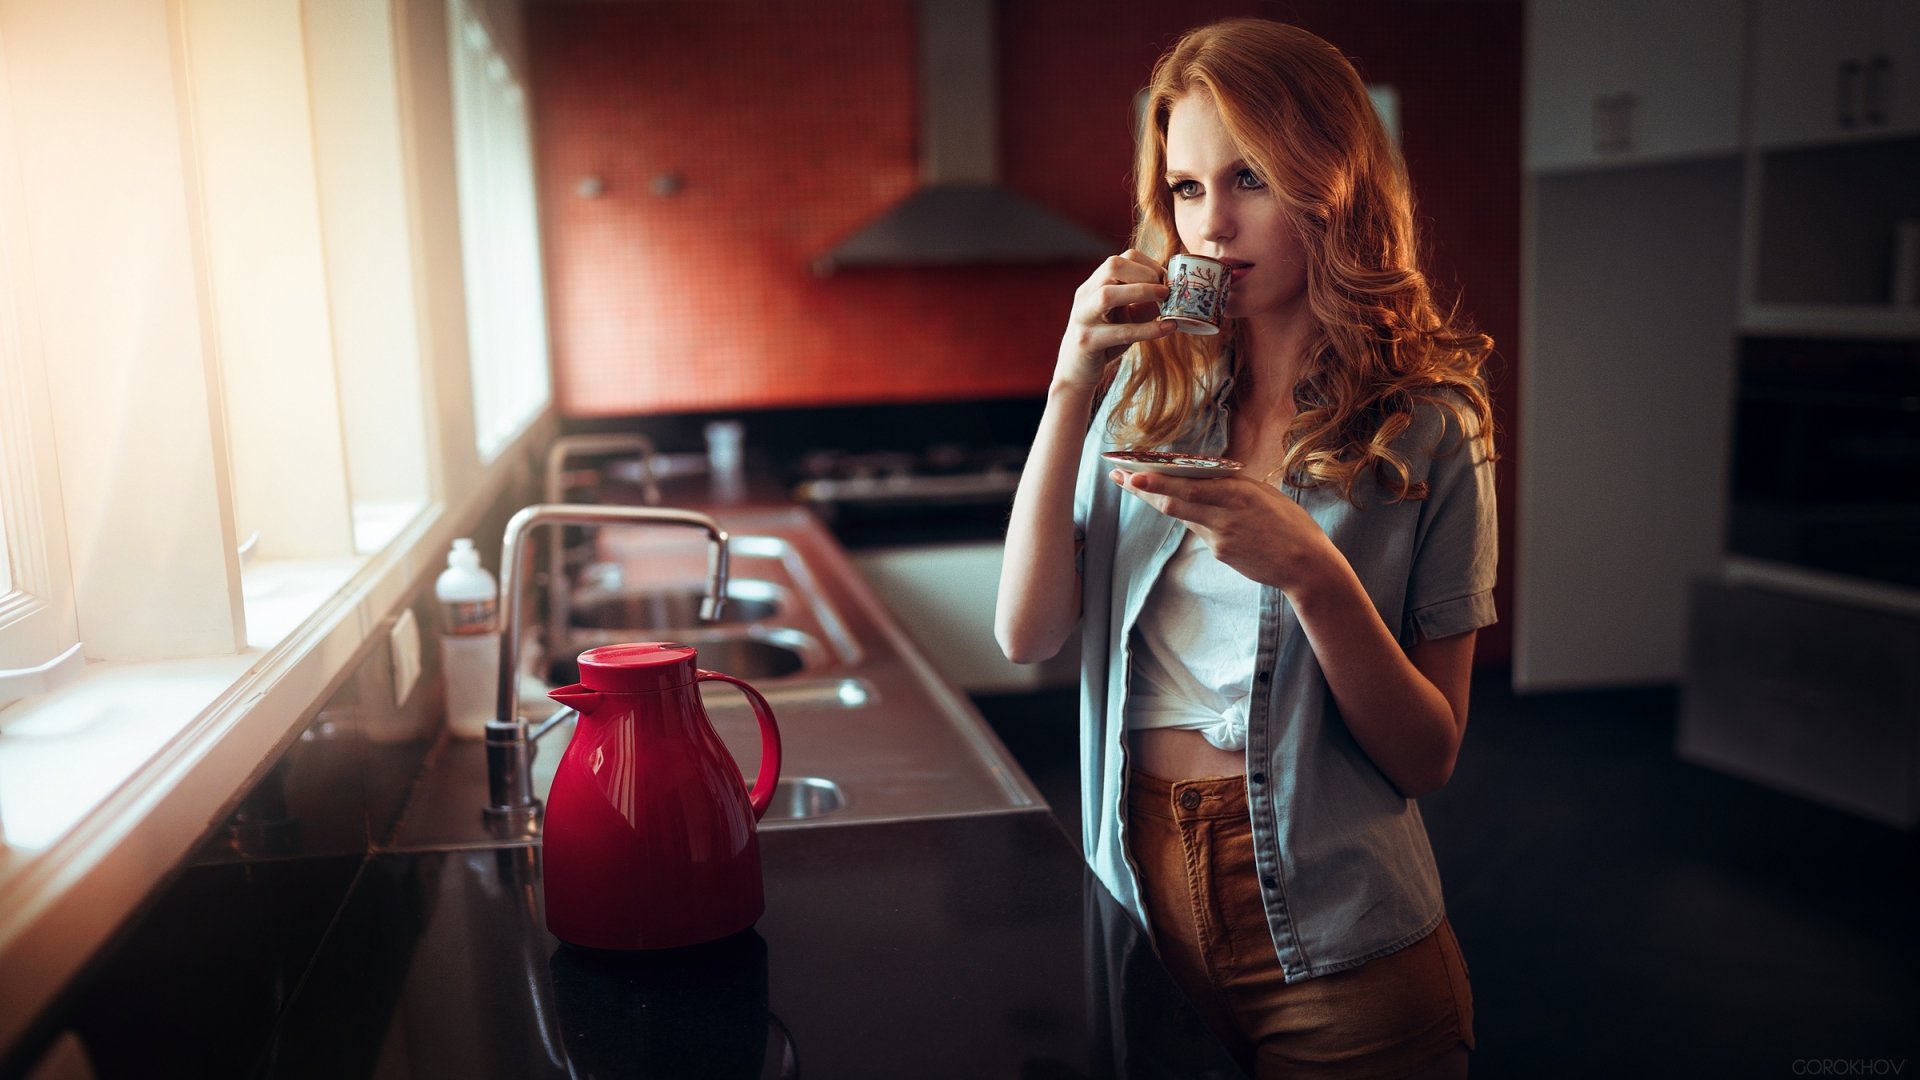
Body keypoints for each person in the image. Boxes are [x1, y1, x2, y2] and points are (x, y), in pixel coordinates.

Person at [995, 18, 1496, 1080]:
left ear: (1336, 181)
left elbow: (1430, 755)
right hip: (1138, 916)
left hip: (1346, 949)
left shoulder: (1429, 426)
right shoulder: (1148, 389)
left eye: (1251, 177)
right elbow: (1026, 631)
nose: (1212, 225)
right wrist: (1068, 385)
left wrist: (1314, 572)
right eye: (1184, 188)